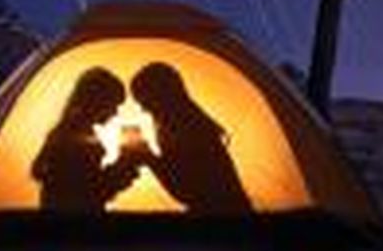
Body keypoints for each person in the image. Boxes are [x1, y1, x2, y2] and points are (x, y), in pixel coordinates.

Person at [128, 62, 251, 215]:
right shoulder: (186, 123)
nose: (143, 109)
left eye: (145, 101)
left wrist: (148, 158)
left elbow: (188, 191)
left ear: (161, 96)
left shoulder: (190, 129)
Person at [31, 67, 142, 213]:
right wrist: (125, 164)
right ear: (99, 101)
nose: (115, 113)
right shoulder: (74, 134)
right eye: (113, 105)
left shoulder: (67, 129)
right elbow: (90, 191)